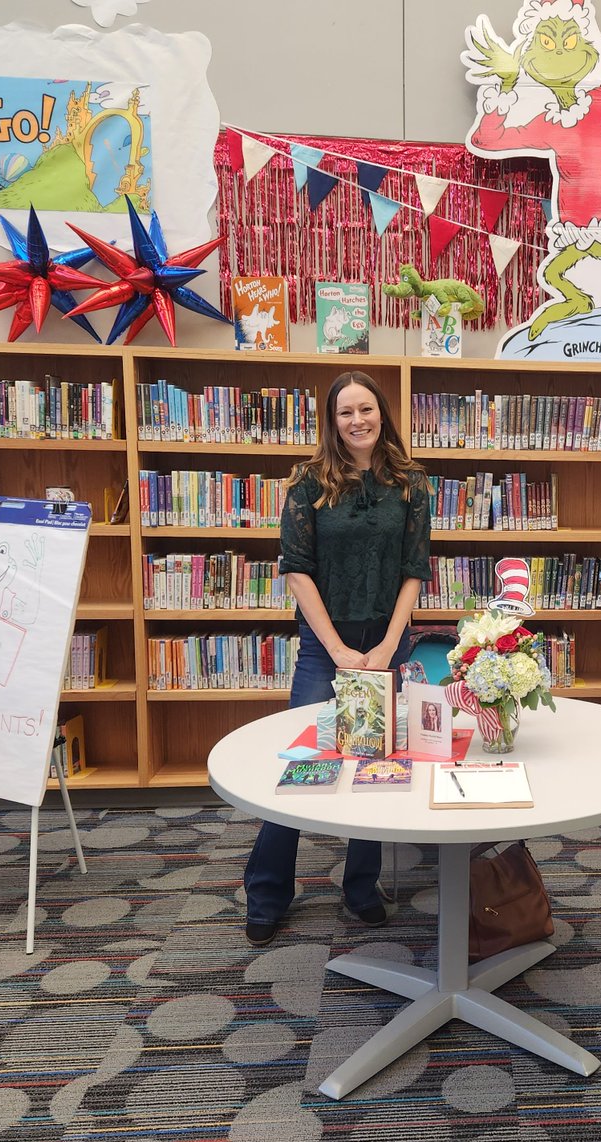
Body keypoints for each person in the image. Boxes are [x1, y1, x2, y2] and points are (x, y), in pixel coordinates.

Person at [243, 371, 431, 947]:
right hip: (326, 650)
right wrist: (340, 651)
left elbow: (414, 570)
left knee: (376, 768)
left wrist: (385, 648)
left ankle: (360, 887)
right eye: (345, 412)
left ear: (382, 414)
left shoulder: (411, 483)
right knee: (302, 768)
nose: (357, 421)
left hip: (386, 644)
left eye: (366, 409)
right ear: (332, 420)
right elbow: (296, 568)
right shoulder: (308, 483)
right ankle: (269, 890)